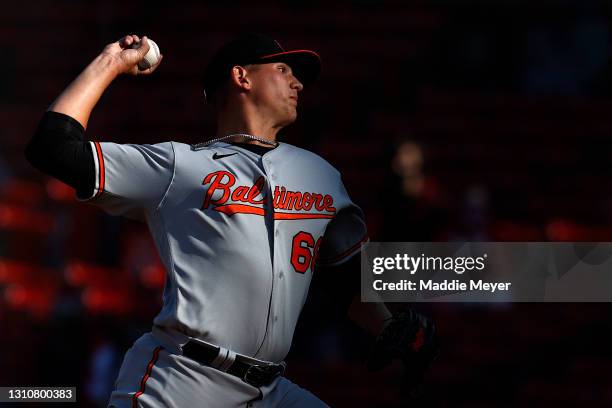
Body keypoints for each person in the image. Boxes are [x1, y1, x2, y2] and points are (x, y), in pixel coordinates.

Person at [26, 32, 437, 407]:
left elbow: (343, 273)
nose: (298, 83)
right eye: (283, 70)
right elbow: (54, 148)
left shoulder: (322, 176)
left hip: (271, 390)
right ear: (242, 77)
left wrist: (389, 326)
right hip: (183, 380)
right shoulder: (179, 165)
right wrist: (110, 61)